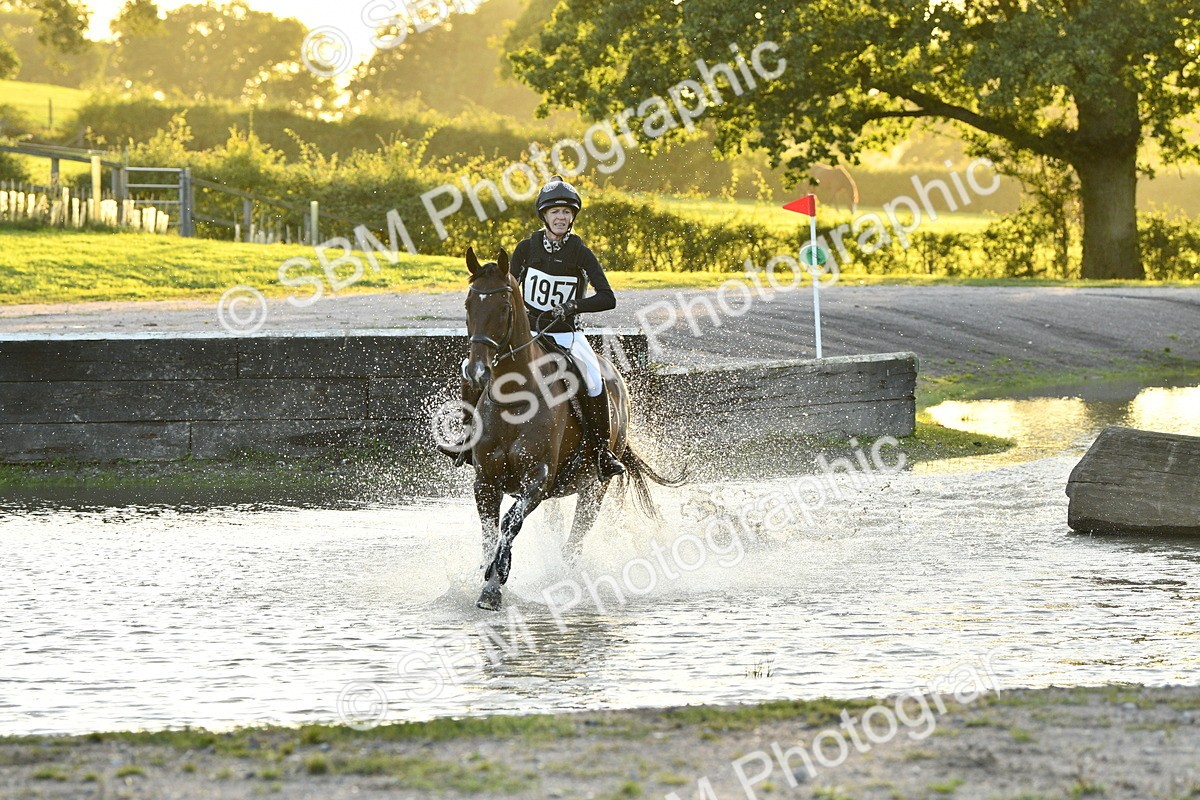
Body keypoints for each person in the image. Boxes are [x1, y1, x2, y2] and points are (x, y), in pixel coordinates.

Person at [446, 176, 626, 480]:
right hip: (526, 335)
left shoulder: (580, 253)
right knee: (471, 367)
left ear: (572, 218)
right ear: (544, 215)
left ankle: (600, 452)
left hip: (567, 335)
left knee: (594, 380)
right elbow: (508, 288)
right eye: (555, 212)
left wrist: (573, 306)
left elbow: (608, 298)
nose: (561, 217)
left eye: (567, 213)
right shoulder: (526, 248)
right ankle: (466, 436)